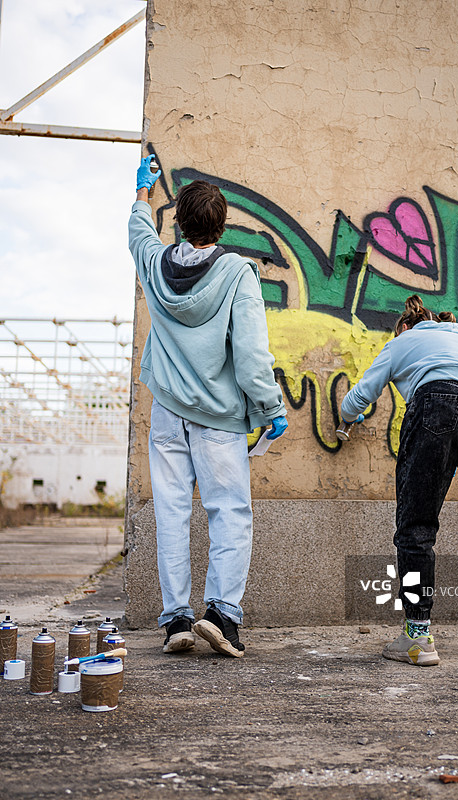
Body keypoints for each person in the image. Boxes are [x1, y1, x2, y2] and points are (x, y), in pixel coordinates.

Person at [129, 155, 287, 658]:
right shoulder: (238, 273)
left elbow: (138, 236)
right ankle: (221, 614)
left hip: (167, 413)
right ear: (221, 228)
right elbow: (250, 354)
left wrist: (141, 195)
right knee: (230, 514)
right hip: (217, 420)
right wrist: (268, 407)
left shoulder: (155, 265)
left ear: (178, 223)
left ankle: (175, 621)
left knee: (172, 514)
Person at [341, 295, 458, 666]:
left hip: (441, 399)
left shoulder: (403, 340)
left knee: (416, 525)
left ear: (404, 326)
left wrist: (345, 419)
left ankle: (418, 637)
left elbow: (359, 398)